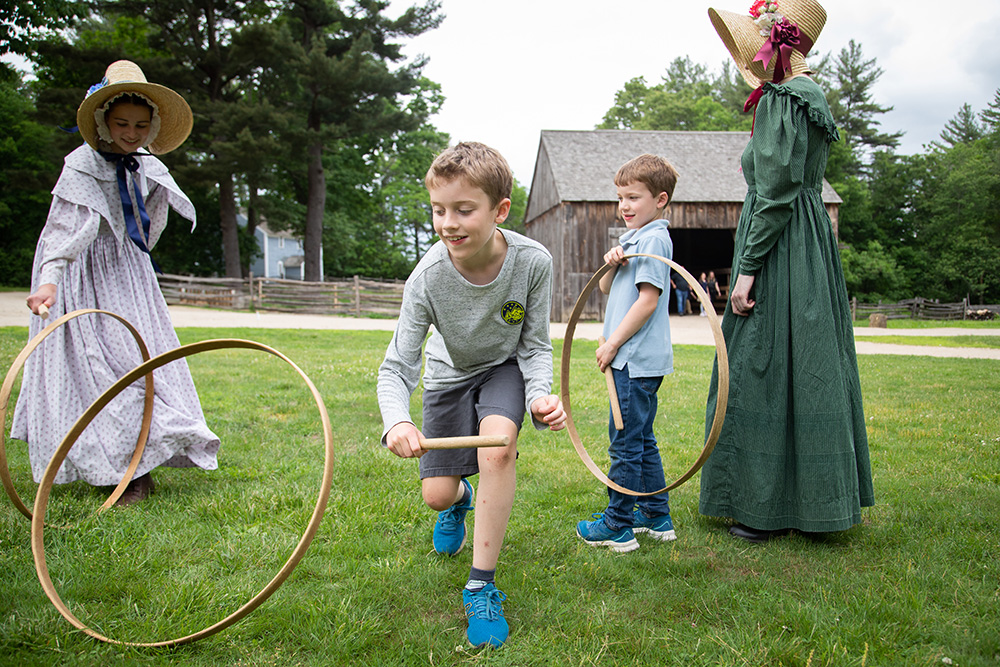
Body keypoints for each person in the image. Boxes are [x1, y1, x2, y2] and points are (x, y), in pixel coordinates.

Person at [377, 142, 566, 648]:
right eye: (439, 210)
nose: (448, 223)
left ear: (499, 210)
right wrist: (396, 421)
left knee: (499, 447)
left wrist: (539, 396)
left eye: (464, 209)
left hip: (501, 368)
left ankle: (480, 585)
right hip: (446, 378)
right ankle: (460, 501)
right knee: (436, 494)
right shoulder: (427, 278)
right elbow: (397, 365)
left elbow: (534, 344)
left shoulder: (533, 262)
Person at [699, 0, 874, 543]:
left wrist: (746, 270)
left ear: (772, 48)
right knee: (810, 362)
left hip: (781, 245)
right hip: (810, 240)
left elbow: (774, 192)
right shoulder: (811, 96)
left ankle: (762, 506)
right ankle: (815, 504)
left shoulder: (782, 98)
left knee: (760, 365)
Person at [13, 60, 220, 506]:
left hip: (127, 270)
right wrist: (49, 281)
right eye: (122, 123)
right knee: (94, 366)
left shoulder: (145, 163)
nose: (131, 132)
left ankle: (138, 461)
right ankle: (113, 465)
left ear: (153, 126)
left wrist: (138, 248)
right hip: (80, 274)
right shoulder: (82, 165)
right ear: (104, 121)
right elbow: (63, 229)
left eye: (141, 125)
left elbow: (152, 220)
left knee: (140, 359)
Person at [576, 154, 678, 553]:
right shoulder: (634, 240)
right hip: (636, 361)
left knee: (624, 441)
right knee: (641, 437)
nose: (625, 206)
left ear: (661, 199)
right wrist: (612, 264)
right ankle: (655, 514)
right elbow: (604, 291)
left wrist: (613, 342)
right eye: (621, 197)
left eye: (634, 197)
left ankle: (618, 524)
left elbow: (647, 301)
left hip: (632, 360)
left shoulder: (652, 238)